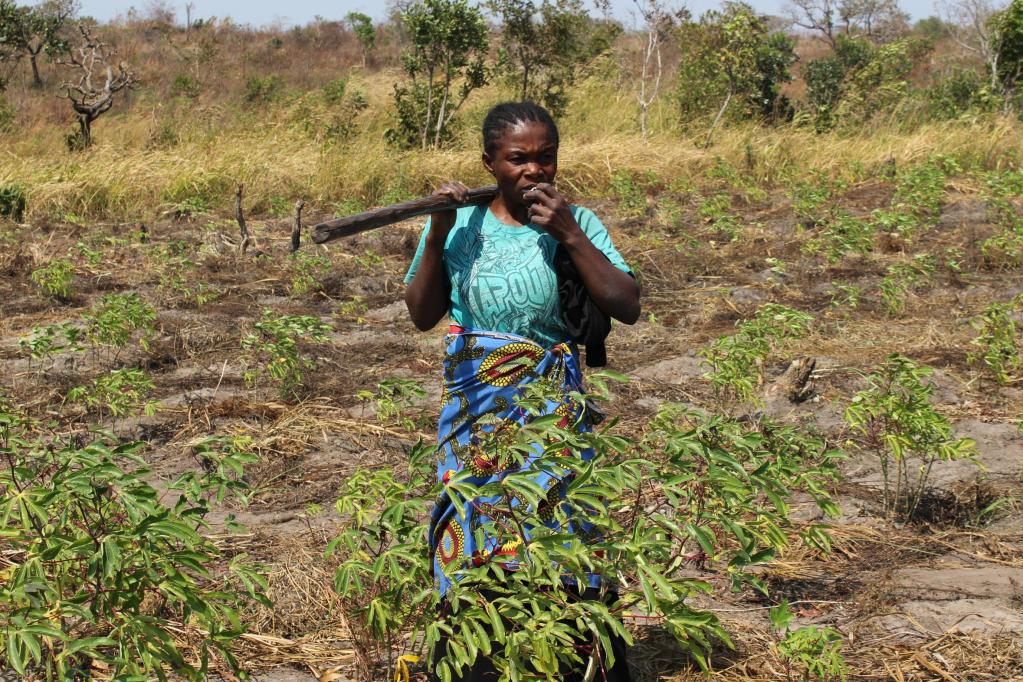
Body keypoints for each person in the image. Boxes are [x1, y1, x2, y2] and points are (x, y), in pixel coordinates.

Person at [403, 101, 640, 681]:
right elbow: (421, 314)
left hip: (551, 404)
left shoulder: (577, 221)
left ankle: (567, 658)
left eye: (546, 157)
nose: (535, 170)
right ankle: (475, 659)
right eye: (518, 159)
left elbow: (626, 304)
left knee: (559, 517)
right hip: (476, 405)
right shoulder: (458, 223)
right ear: (490, 163)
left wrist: (568, 233)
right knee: (473, 513)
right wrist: (435, 233)